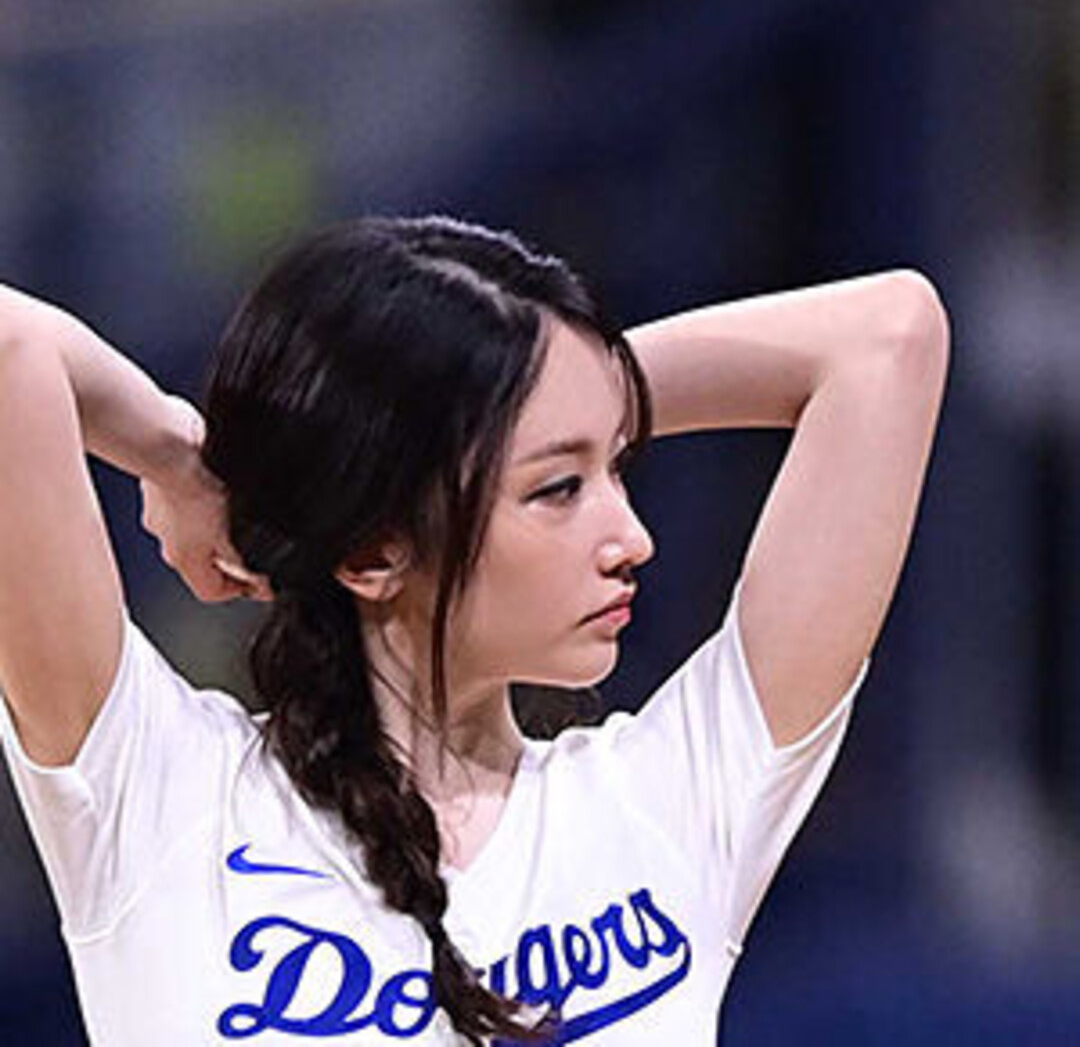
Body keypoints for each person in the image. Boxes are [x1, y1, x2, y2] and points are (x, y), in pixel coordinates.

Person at [0, 216, 949, 1044]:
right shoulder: (159, 798)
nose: (632, 539)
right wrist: (176, 453)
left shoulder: (669, 804)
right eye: (559, 487)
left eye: (617, 467)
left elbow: (888, 337)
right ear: (373, 550)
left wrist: (555, 395)